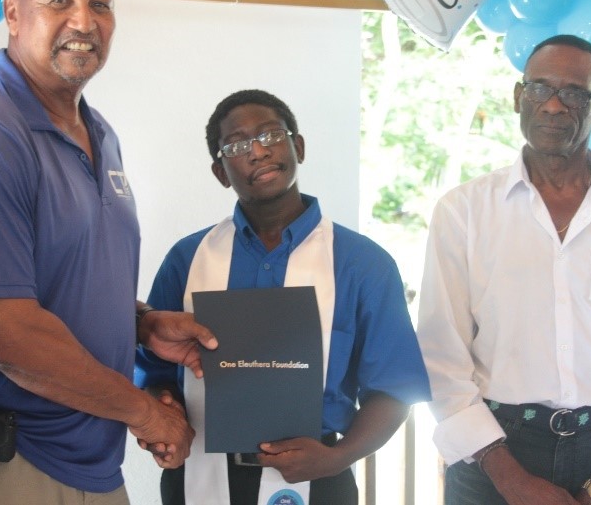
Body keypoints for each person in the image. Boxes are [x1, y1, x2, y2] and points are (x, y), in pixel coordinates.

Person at [0, 0, 216, 505]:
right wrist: (146, 415)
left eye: (100, 4)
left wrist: (142, 325)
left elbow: (55, 283)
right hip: (4, 465)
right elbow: (8, 333)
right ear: (12, 14)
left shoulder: (99, 133)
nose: (84, 20)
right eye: (59, 1)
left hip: (89, 463)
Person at [416, 34, 591, 505]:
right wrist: (512, 481)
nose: (554, 106)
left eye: (574, 93)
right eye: (540, 89)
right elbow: (441, 354)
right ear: (518, 97)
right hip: (495, 456)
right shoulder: (463, 211)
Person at [136, 88, 431, 505]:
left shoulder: (362, 264)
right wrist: (161, 416)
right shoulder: (188, 258)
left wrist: (338, 457)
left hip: (320, 472)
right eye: (237, 145)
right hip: (199, 475)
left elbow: (395, 388)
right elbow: (152, 370)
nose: (257, 151)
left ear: (299, 146)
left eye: (271, 135)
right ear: (221, 172)